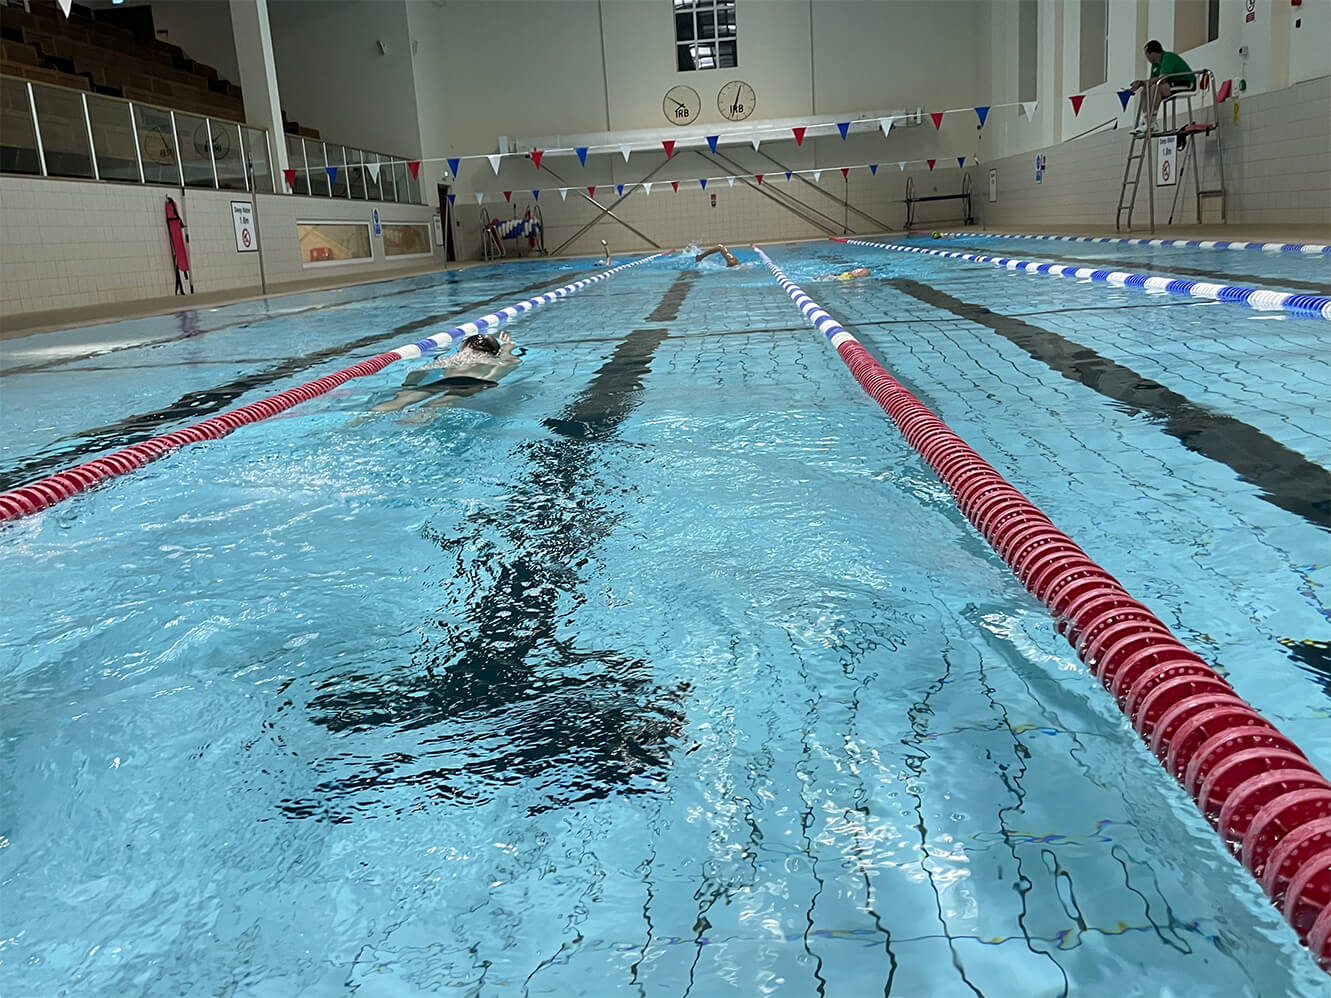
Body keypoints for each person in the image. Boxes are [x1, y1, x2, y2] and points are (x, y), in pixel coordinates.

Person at [371, 331, 521, 415]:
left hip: (444, 381)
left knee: (400, 401)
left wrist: (408, 386)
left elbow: (418, 372)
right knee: (439, 403)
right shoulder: (488, 358)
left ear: (463, 347)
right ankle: (417, 421)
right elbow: (511, 361)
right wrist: (508, 347)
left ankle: (361, 419)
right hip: (472, 382)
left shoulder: (453, 357)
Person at [1129, 40, 1196, 131]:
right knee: (1146, 90)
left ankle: (1152, 121)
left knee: (1156, 88)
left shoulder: (1168, 57)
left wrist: (1142, 82)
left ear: (1151, 54)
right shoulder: (1155, 64)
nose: (1146, 57)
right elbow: (1151, 82)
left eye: (1146, 54)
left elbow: (1162, 79)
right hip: (1171, 84)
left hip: (1186, 83)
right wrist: (1140, 84)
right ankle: (1145, 120)